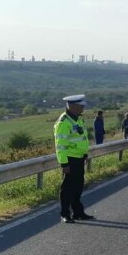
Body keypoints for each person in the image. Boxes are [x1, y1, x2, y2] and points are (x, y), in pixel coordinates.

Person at [53, 94, 93, 223]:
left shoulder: (78, 119)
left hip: (79, 158)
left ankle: (78, 212)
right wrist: (64, 164)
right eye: (80, 106)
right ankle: (65, 214)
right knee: (67, 189)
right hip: (70, 159)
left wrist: (85, 153)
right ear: (72, 106)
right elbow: (60, 145)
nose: (82, 108)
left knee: (78, 187)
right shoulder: (63, 122)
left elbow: (81, 138)